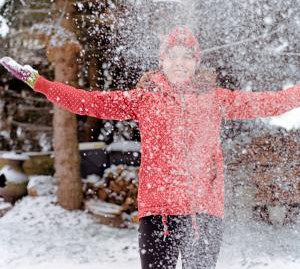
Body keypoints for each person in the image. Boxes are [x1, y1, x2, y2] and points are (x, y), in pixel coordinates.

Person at [2, 26, 300, 269]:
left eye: (187, 57)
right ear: (163, 61)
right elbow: (89, 101)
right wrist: (40, 83)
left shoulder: (215, 98)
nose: (180, 63)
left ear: (196, 62)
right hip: (157, 212)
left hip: (205, 212)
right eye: (173, 56)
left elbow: (269, 102)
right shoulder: (144, 99)